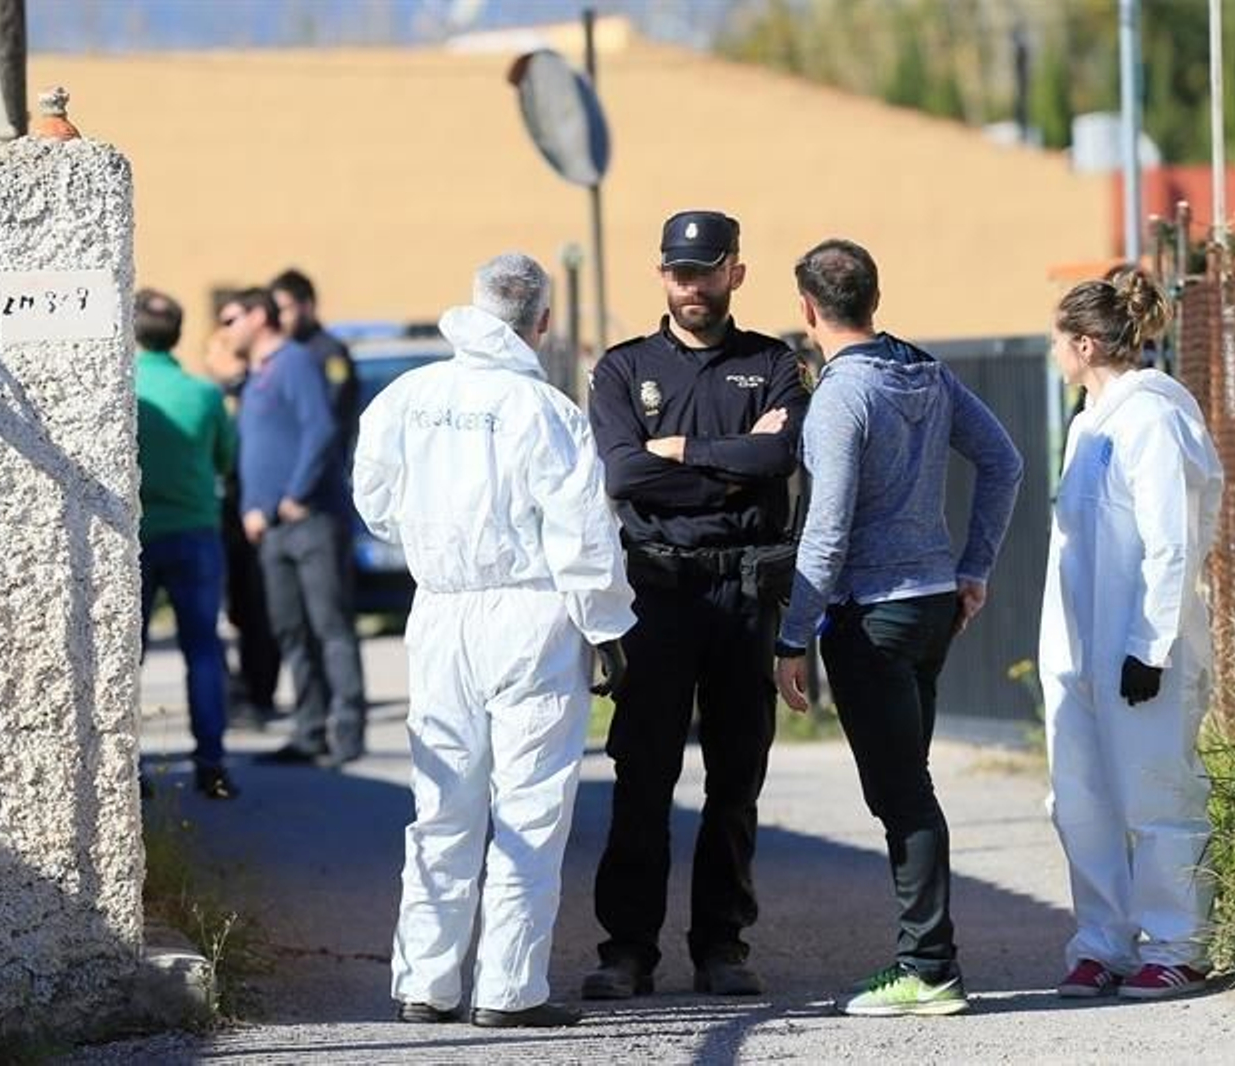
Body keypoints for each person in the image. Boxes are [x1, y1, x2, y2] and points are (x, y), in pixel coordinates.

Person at [353, 253, 635, 1028]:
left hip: (440, 611)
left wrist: (429, 539)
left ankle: (424, 982)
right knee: (529, 805)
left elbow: (374, 502)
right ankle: (508, 990)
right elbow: (583, 536)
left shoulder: (410, 396)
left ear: (474, 307)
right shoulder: (545, 411)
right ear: (541, 322)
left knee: (441, 800)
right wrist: (606, 628)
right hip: (530, 616)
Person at [772, 240, 1022, 1017]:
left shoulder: (844, 395)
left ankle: (929, 970)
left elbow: (828, 525)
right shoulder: (924, 369)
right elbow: (1004, 460)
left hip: (872, 615)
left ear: (808, 308)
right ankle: (923, 958)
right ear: (873, 297)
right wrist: (973, 566)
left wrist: (791, 635)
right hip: (930, 605)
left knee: (902, 795)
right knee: (906, 787)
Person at [583, 210, 807, 1000]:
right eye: (679, 274)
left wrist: (680, 452)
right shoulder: (622, 370)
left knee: (736, 775)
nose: (692, 288)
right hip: (658, 587)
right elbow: (622, 477)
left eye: (707, 272)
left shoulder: (773, 363)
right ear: (661, 276)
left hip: (744, 588)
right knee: (642, 774)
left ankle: (722, 945)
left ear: (736, 273)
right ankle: (627, 951)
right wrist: (730, 467)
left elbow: (780, 456)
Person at [1039, 268, 1223, 1001]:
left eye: (1057, 341)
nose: (1054, 353)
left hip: (1142, 648)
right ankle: (1103, 942)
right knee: (1080, 796)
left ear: (1084, 344)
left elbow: (1169, 540)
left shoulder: (1153, 416)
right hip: (1082, 649)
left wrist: (1151, 644)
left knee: (1156, 793)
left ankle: (1179, 942)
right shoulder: (1090, 423)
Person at [223, 287, 368, 768]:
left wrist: (294, 496)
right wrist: (250, 507)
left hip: (309, 521)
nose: (224, 331)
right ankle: (309, 731)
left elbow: (321, 428)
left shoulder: (296, 362)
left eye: (231, 319)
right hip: (269, 529)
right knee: (290, 631)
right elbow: (254, 450)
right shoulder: (257, 375)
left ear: (259, 317)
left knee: (329, 626)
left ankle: (346, 732)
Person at [133, 289, 241, 800]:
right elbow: (225, 458)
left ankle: (128, 767)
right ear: (177, 334)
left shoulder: (124, 389)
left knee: (125, 654)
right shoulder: (203, 394)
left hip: (134, 533)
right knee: (202, 650)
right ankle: (212, 764)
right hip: (195, 530)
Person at [206, 299, 283, 726]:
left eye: (231, 323)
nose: (224, 334)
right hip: (222, 513)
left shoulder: (255, 387)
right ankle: (237, 689)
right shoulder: (219, 392)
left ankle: (258, 693)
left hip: (251, 511)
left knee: (256, 607)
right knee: (231, 608)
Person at [269, 268, 362, 468]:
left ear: (307, 305)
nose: (279, 319)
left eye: (285, 310)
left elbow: (332, 406)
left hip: (322, 465)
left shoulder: (329, 352)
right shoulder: (280, 352)